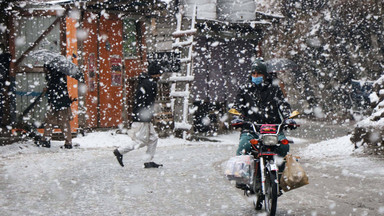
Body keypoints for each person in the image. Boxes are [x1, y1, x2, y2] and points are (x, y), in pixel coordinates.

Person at [231, 58, 295, 160]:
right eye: (254, 74)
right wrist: (237, 117)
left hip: (273, 128)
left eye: (259, 74)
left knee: (284, 146)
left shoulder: (274, 88)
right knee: (244, 147)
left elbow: (283, 105)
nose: (256, 76)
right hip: (251, 128)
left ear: (265, 75)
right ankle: (242, 174)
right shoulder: (245, 89)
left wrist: (288, 118)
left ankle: (282, 173)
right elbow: (237, 106)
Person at [113, 62, 163, 168]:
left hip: (142, 115)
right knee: (141, 141)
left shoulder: (144, 82)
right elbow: (149, 102)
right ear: (155, 74)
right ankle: (119, 151)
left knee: (153, 138)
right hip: (142, 117)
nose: (160, 76)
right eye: (159, 74)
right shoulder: (150, 84)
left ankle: (148, 161)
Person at [39, 63, 73, 149]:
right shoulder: (58, 75)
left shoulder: (54, 77)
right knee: (61, 122)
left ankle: (46, 140)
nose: (44, 70)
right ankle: (67, 142)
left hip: (57, 103)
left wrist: (48, 89)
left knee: (52, 121)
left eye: (45, 69)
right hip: (61, 102)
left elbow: (55, 89)